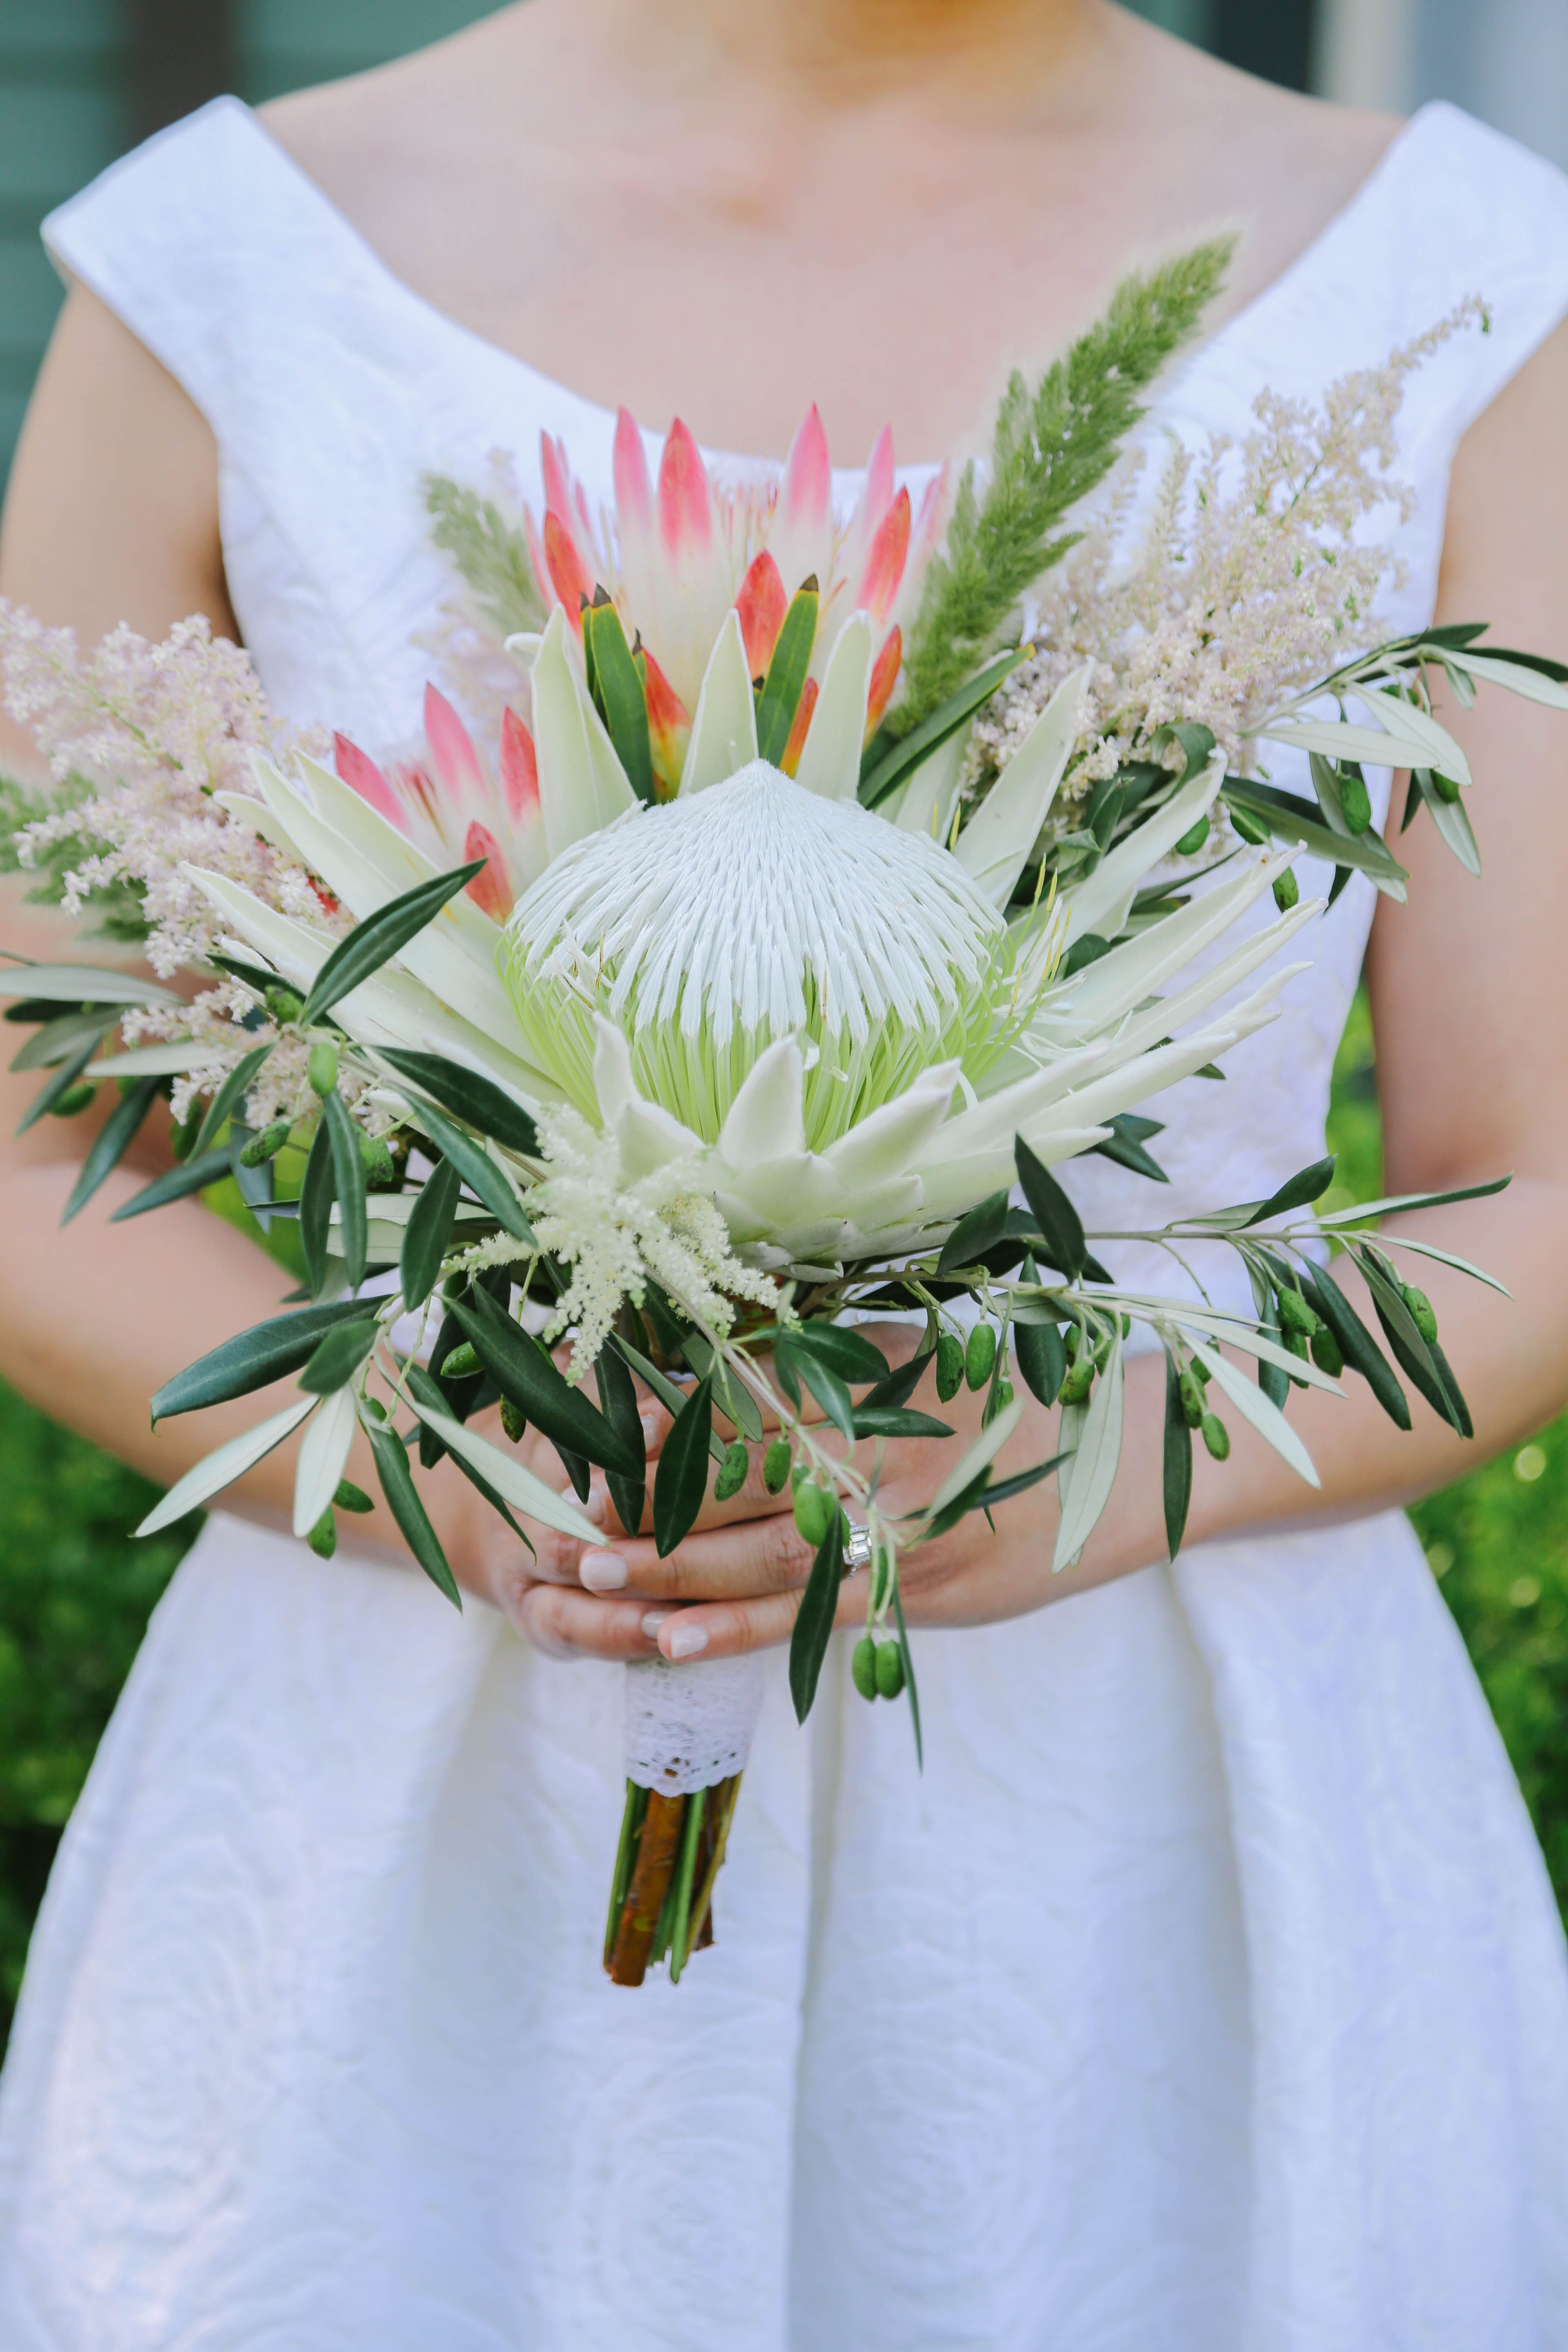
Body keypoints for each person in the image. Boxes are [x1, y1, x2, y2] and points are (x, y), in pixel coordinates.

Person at [2, 2, 1568, 2341]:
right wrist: (449, 1453)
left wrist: (1089, 1461)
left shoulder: (1466, 284)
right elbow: (30, 1131)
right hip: (418, 1783)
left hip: (1153, 1798)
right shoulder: (233, 263)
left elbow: (1531, 1182)